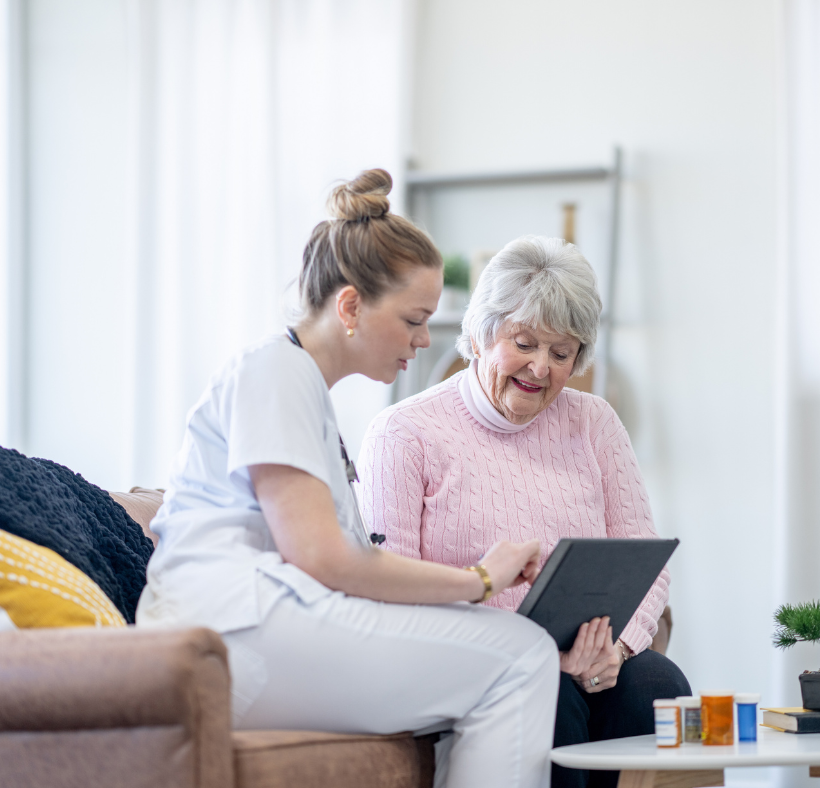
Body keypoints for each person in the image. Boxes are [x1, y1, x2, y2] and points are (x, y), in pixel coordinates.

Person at [136, 171, 560, 788]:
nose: (423, 339)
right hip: (231, 633)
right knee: (521, 657)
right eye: (415, 319)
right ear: (351, 305)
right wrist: (478, 580)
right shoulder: (272, 372)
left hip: (255, 623)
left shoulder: (301, 385)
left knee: (504, 654)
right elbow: (324, 558)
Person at [358, 236, 691, 788]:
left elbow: (647, 560)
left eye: (561, 354)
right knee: (547, 694)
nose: (540, 367)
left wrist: (618, 648)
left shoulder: (595, 422)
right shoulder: (403, 433)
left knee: (657, 683)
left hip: (588, 658)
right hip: (478, 662)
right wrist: (526, 653)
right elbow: (390, 589)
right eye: (525, 342)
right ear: (482, 333)